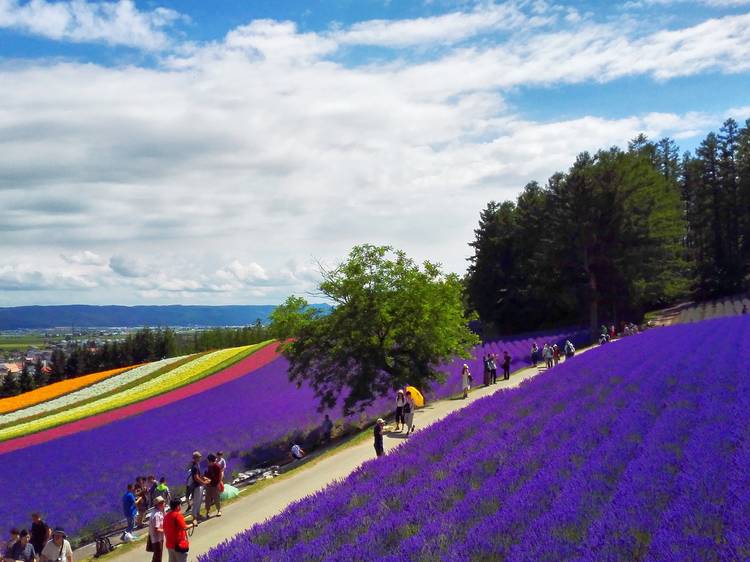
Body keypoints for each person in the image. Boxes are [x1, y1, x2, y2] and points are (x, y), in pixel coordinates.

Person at [188, 452, 209, 524]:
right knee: (196, 502)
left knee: (199, 501)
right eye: (199, 457)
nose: (200, 458)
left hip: (199, 485)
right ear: (195, 458)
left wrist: (204, 478)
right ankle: (194, 517)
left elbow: (199, 475)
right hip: (197, 486)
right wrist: (203, 482)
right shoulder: (194, 466)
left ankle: (198, 514)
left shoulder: (197, 465)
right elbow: (196, 477)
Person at [204, 454, 222, 518]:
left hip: (215, 485)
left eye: (208, 460)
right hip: (209, 485)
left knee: (216, 498)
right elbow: (207, 475)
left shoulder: (217, 466)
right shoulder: (209, 466)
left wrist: (218, 484)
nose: (207, 462)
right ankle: (207, 512)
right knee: (207, 499)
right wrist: (205, 478)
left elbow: (219, 476)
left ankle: (219, 510)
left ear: (210, 460)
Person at [148, 496, 166, 562]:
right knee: (158, 557)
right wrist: (166, 531)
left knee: (157, 556)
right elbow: (157, 529)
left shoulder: (159, 512)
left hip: (159, 538)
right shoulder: (156, 515)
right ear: (158, 504)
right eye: (162, 503)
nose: (164, 504)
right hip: (157, 539)